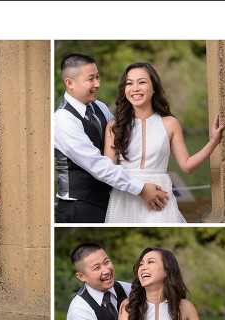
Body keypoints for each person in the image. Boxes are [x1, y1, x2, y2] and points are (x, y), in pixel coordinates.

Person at [103, 62, 224, 223]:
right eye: (129, 83)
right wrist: (139, 188)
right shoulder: (114, 126)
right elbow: (108, 171)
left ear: (154, 87)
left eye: (142, 82)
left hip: (160, 197)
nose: (135, 88)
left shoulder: (170, 123)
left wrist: (213, 142)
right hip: (125, 196)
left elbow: (187, 166)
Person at [54, 54, 169, 223]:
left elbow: (123, 138)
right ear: (70, 83)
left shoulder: (99, 107)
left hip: (110, 201)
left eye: (98, 77)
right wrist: (141, 188)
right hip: (79, 207)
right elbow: (98, 165)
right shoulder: (63, 120)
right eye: (91, 79)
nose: (97, 84)